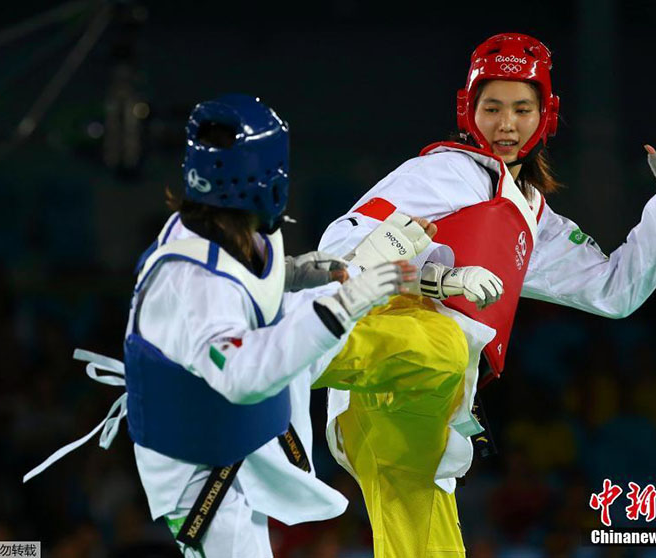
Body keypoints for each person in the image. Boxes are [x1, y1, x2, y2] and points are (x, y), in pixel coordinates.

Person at [314, 32, 656, 557]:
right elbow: (340, 248)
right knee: (442, 346)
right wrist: (434, 280)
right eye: (492, 108)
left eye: (522, 109)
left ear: (546, 116)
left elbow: (615, 291)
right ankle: (282, 354)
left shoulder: (531, 217)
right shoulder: (444, 170)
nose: (506, 124)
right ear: (468, 110)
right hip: (396, 361)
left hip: (428, 408)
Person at [23, 93, 425, 558]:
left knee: (320, 303)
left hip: (234, 427)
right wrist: (348, 302)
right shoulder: (193, 284)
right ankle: (361, 279)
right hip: (200, 467)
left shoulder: (215, 229)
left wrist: (293, 273)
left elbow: (240, 281)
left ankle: (365, 268)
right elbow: (242, 375)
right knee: (328, 314)